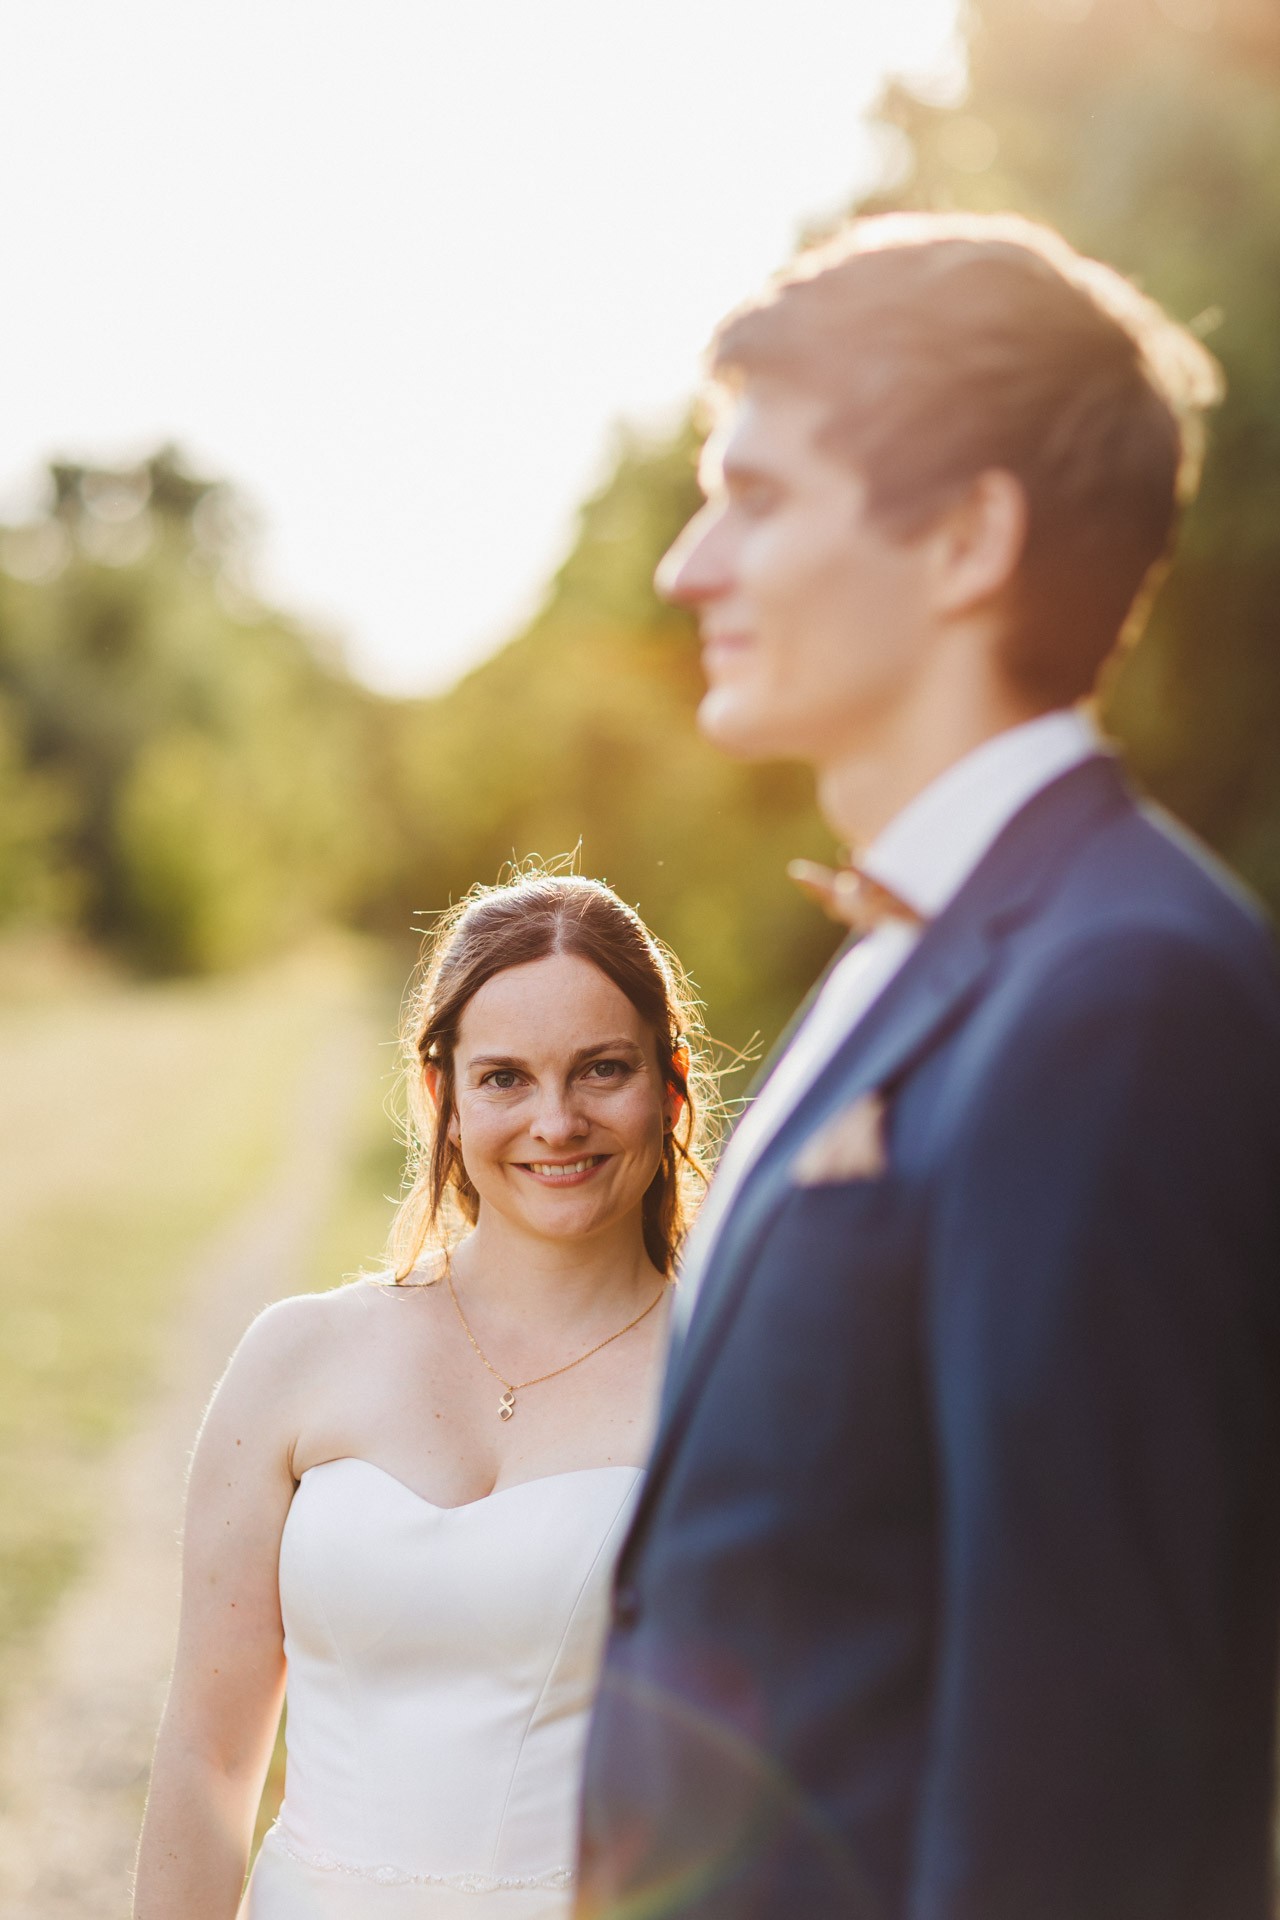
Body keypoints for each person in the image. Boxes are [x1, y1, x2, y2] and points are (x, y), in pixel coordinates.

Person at [575, 213, 1280, 1920]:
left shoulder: (1122, 997)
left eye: (755, 495)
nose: (688, 566)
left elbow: (1090, 1779)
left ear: (966, 536)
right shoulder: (915, 948)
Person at [133, 873, 711, 1920]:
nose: (555, 1121)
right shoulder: (296, 1356)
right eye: (503, 1078)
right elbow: (209, 1756)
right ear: (440, 1098)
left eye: (601, 1070)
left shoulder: (730, 1382)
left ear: (669, 1088)